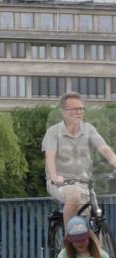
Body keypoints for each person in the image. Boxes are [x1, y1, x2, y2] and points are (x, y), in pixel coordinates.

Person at [43, 91, 116, 227]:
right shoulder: (53, 132)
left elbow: (104, 148)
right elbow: (49, 157)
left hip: (85, 183)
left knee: (93, 223)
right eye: (74, 109)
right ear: (63, 112)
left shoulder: (89, 129)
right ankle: (69, 240)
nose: (79, 112)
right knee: (74, 195)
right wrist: (54, 177)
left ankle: (96, 246)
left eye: (81, 108)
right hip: (60, 183)